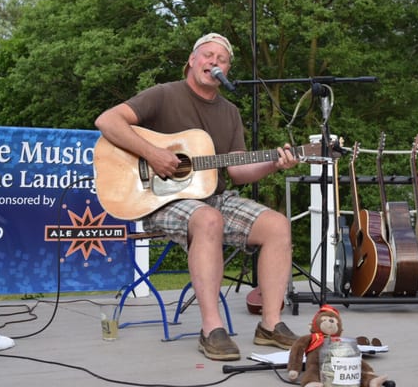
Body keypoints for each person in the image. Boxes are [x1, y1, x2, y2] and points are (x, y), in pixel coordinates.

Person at [94, 32, 300, 361]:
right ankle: (211, 329)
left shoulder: (230, 112)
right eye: (208, 56)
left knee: (276, 224)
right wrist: (153, 155)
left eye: (222, 59)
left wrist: (275, 163)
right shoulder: (164, 95)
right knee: (207, 219)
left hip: (213, 196)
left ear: (227, 70)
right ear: (192, 60)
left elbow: (238, 171)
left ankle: (270, 325)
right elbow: (107, 120)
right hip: (159, 198)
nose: (214, 62)